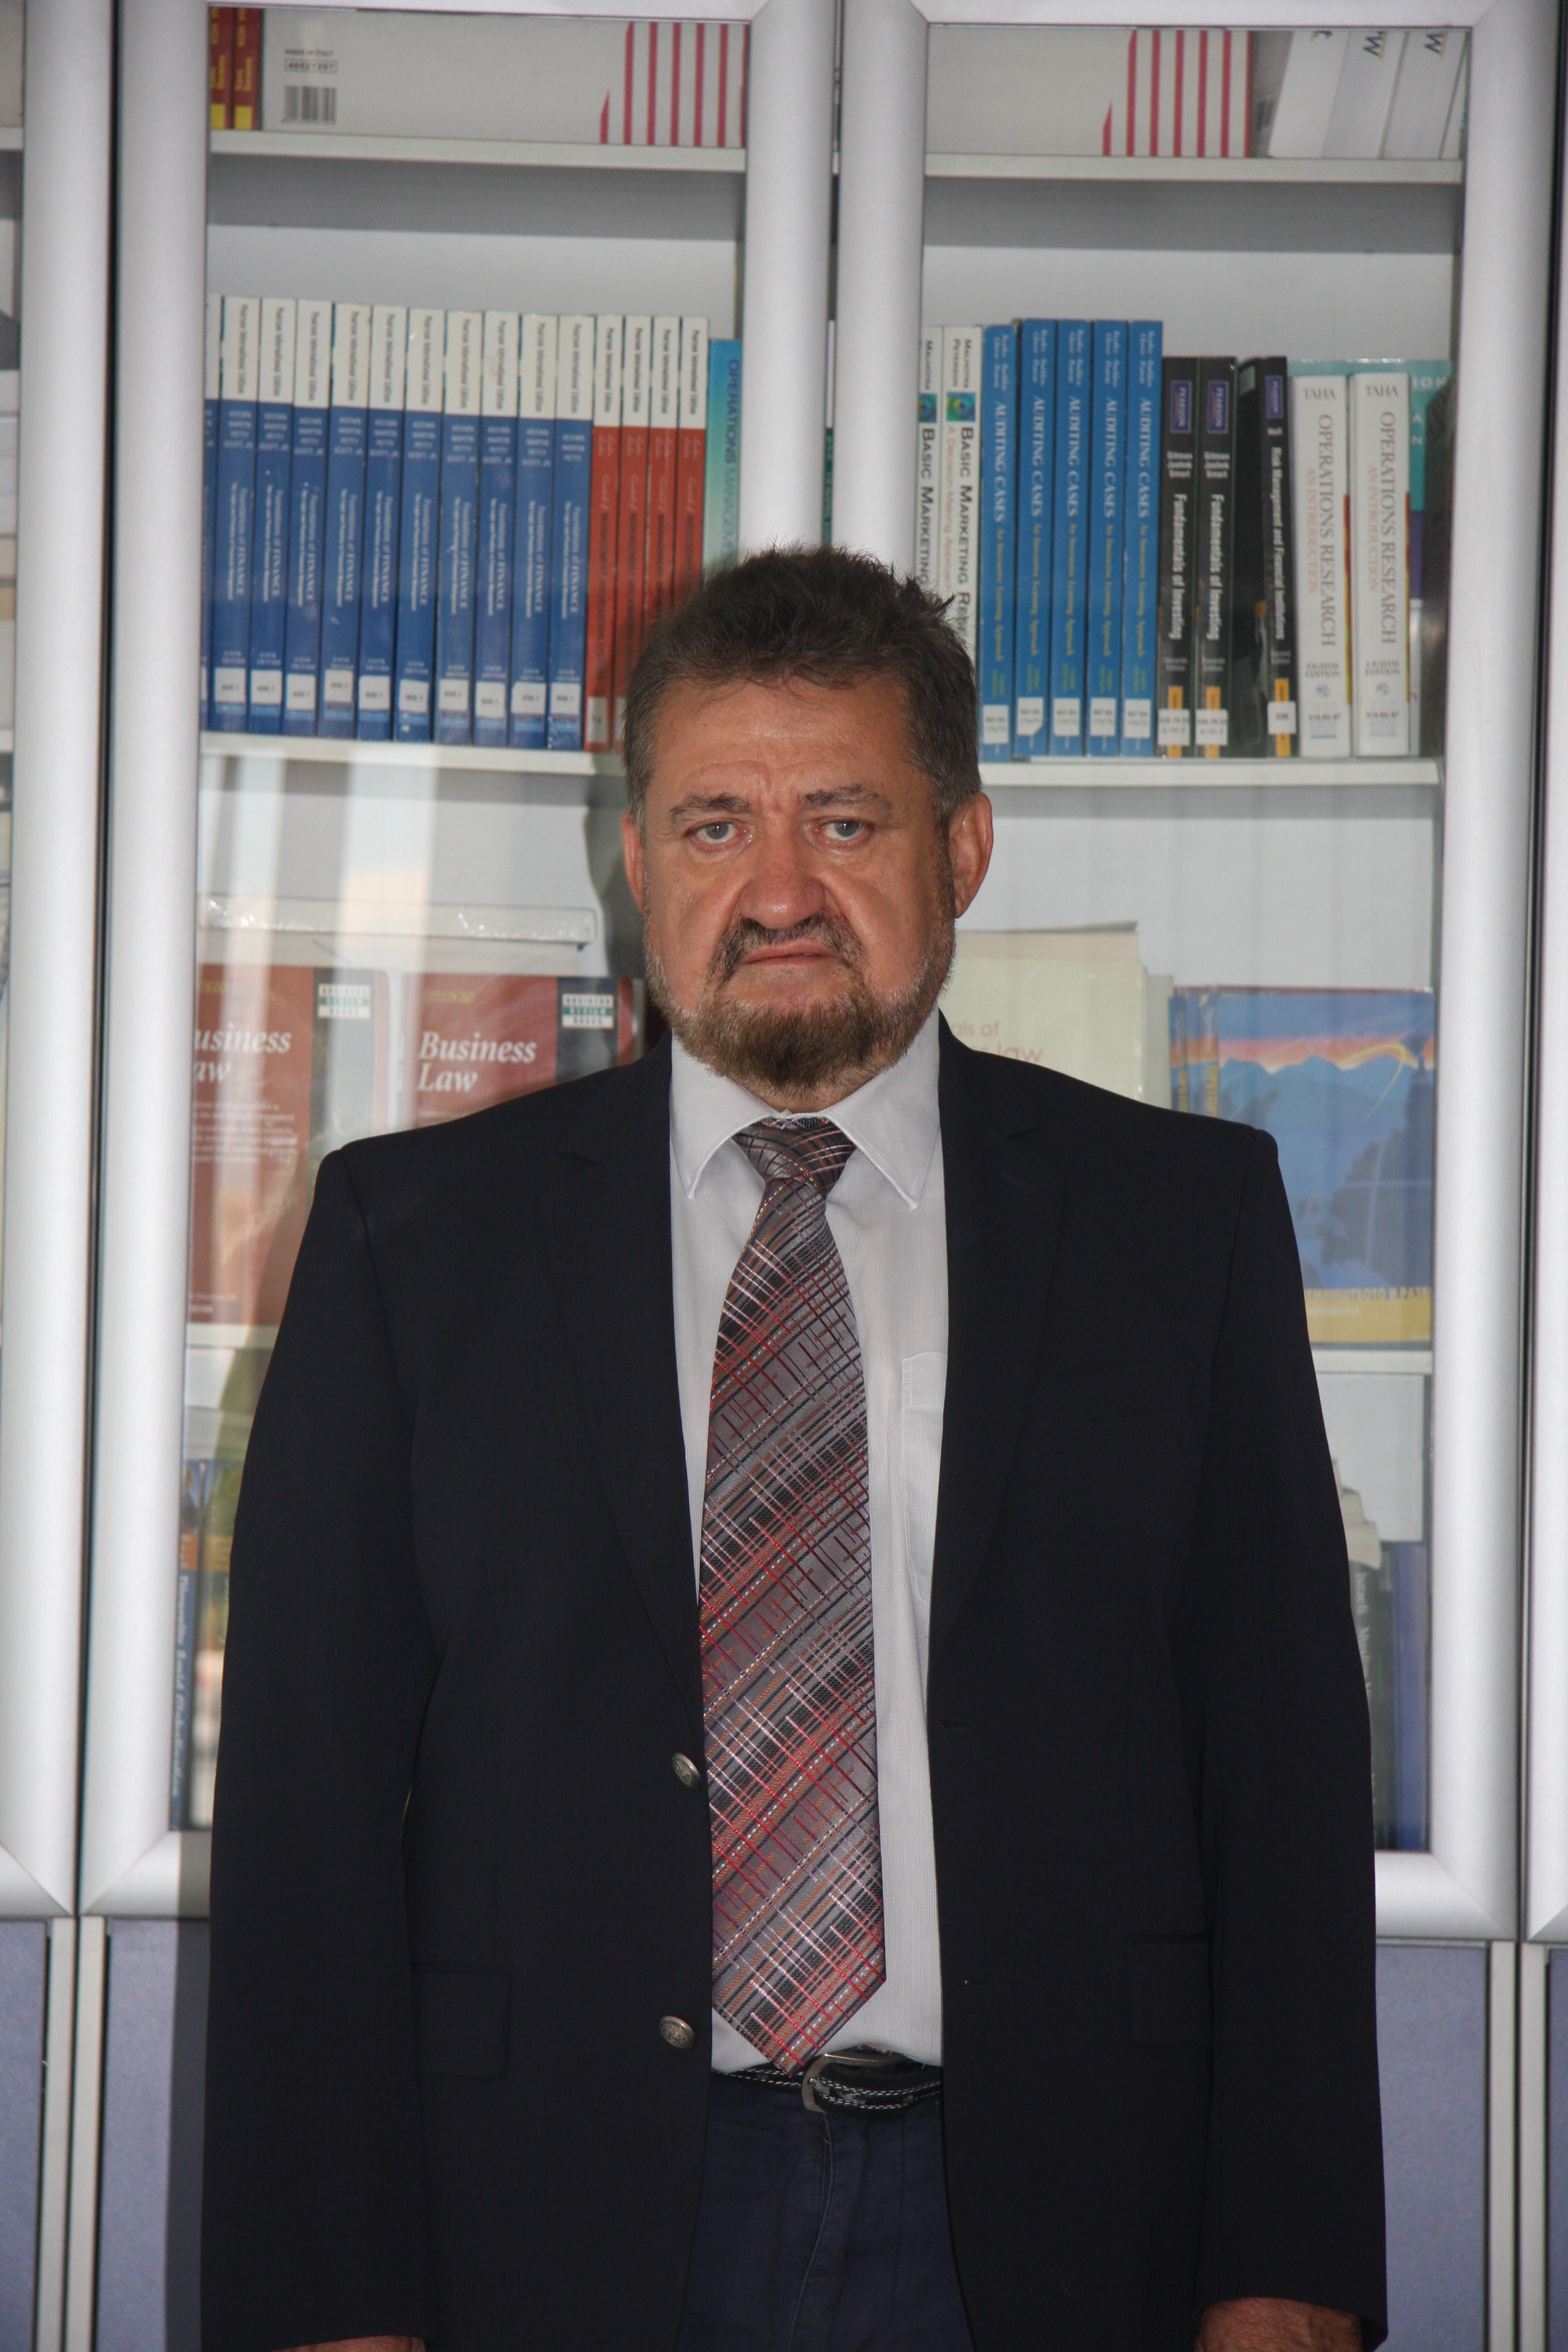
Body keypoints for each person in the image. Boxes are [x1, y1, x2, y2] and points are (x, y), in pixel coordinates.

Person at [202, 547, 1386, 2352]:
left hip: (1068, 2214)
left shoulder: (1181, 1223)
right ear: (638, 863)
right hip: (545, 2211)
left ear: (961, 848)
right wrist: (328, 2307)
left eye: (843, 822)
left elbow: (1286, 1775)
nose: (775, 891)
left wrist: (1286, 2268)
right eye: (713, 827)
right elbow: (308, 1821)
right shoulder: (409, 1240)